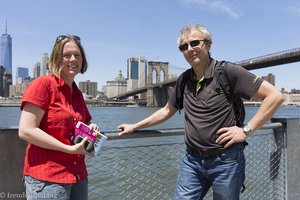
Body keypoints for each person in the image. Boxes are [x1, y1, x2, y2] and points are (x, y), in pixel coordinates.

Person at [117, 24, 284, 200]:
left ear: (208, 44)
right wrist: (134, 126)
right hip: (192, 161)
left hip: (226, 161)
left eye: (195, 43)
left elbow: (274, 96)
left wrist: (246, 130)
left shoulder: (228, 71)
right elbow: (166, 111)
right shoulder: (183, 80)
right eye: (184, 46)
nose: (189, 49)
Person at [18, 35, 99, 200]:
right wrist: (69, 149)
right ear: (56, 58)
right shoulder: (43, 85)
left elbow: (84, 122)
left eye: (77, 55)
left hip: (78, 175)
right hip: (48, 179)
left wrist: (92, 128)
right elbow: (26, 131)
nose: (73, 59)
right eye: (67, 55)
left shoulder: (77, 93)